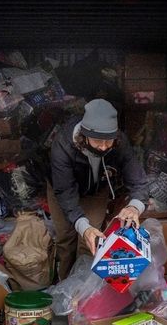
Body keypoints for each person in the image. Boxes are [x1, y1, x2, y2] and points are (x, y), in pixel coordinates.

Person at [49, 98, 149, 280]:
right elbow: (65, 191)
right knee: (66, 239)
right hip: (63, 190)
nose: (103, 147)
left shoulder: (119, 142)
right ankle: (64, 287)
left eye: (108, 141)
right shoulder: (62, 145)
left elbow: (139, 181)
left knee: (91, 240)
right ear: (84, 136)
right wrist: (82, 225)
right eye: (97, 141)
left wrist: (134, 207)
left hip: (96, 190)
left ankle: (83, 292)